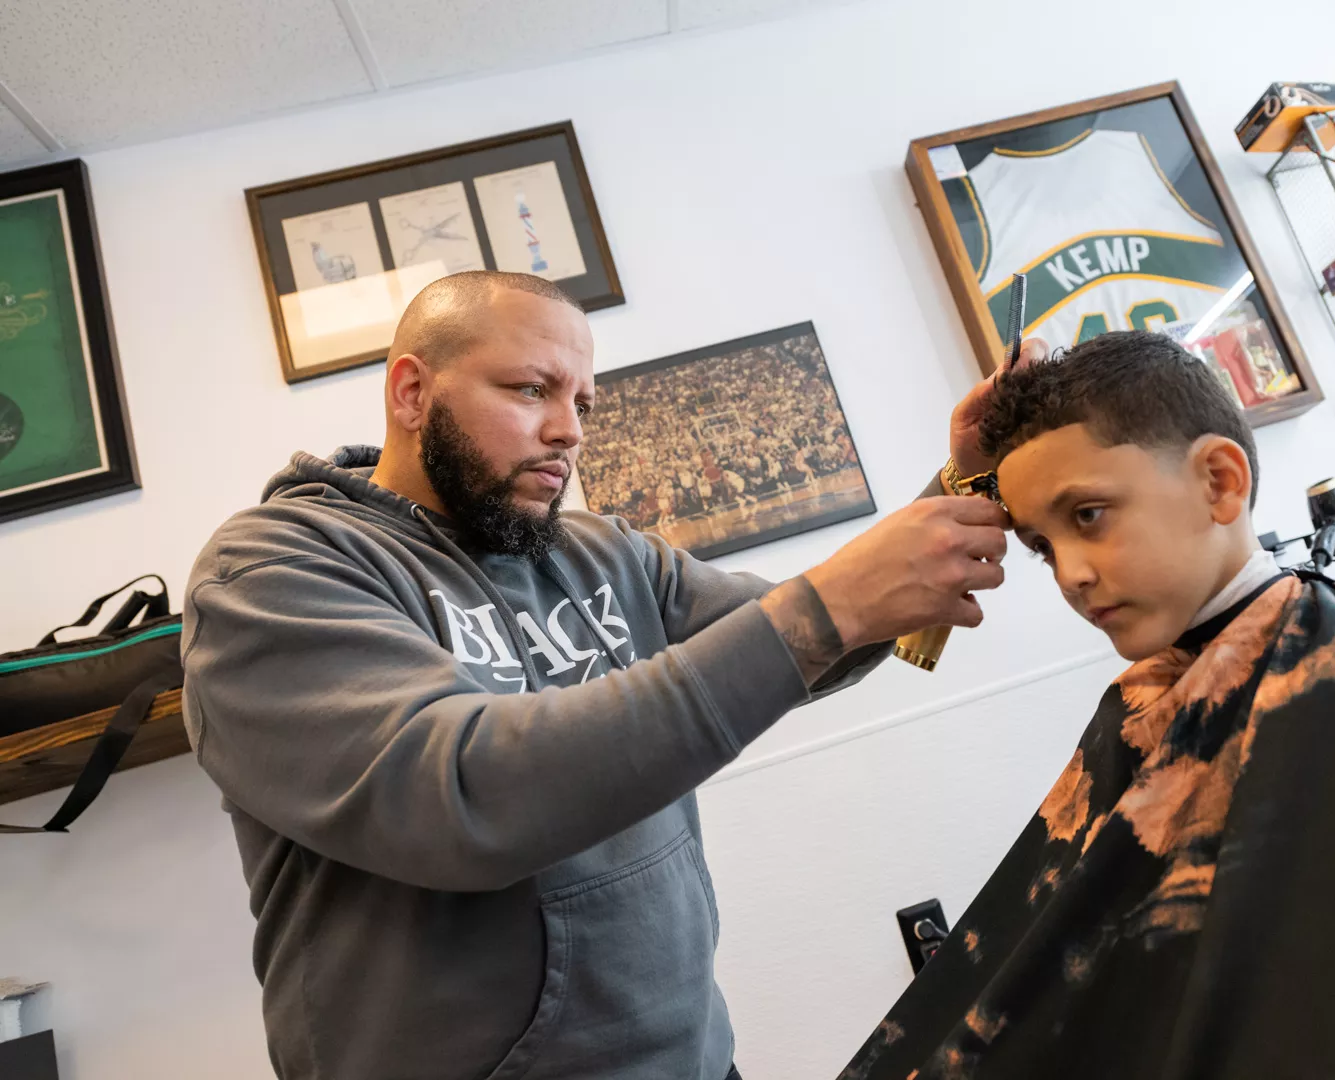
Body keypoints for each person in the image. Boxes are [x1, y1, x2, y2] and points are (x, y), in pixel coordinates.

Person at [180, 270, 1010, 1080]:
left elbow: (811, 646)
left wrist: (958, 485)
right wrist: (825, 609)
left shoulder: (603, 551)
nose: (570, 430)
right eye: (532, 390)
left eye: (581, 403)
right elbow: (464, 795)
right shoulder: (272, 570)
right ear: (410, 393)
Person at [840, 331, 1335, 1080]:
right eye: (1044, 546)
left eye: (1088, 516)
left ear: (1220, 481)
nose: (1070, 573)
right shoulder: (1146, 698)